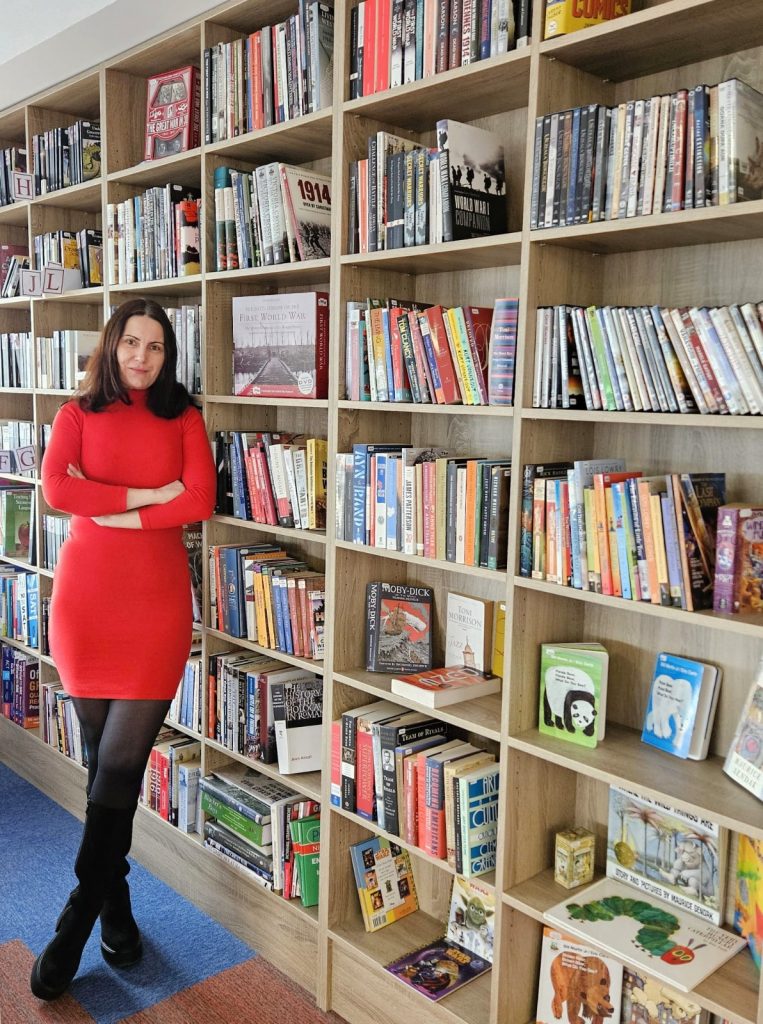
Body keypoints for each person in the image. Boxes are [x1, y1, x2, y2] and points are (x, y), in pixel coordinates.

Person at [31, 298, 216, 1000]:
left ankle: (78, 916)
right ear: (112, 346)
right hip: (85, 606)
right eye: (131, 342)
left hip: (155, 610)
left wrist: (110, 506)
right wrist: (148, 495)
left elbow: (198, 499)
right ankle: (116, 905)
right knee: (101, 765)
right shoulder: (76, 414)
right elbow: (56, 489)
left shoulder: (184, 417)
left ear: (169, 356)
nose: (142, 356)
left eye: (156, 346)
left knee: (118, 765)